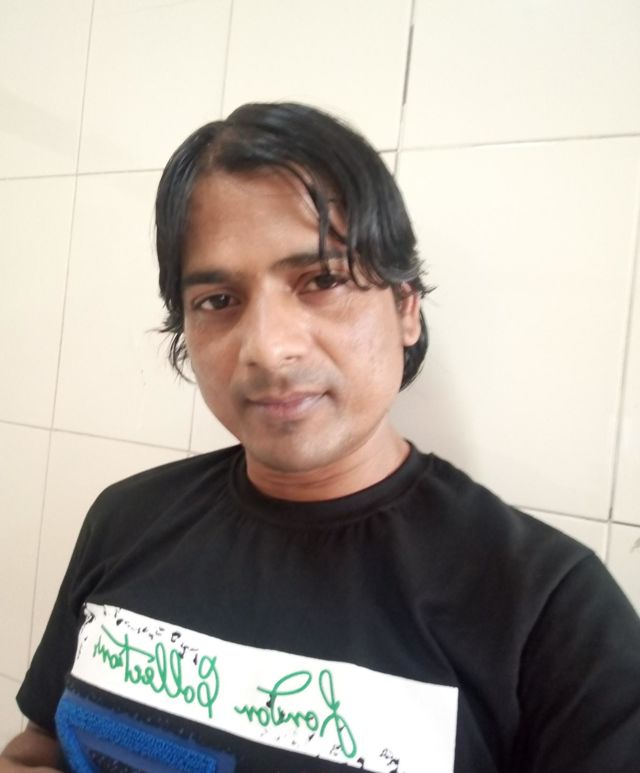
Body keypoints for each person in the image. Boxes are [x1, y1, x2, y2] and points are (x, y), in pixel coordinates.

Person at [3, 103, 639, 773]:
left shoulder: (547, 609)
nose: (269, 348)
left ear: (406, 307)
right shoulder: (126, 521)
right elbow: (38, 749)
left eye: (324, 280)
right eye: (218, 300)